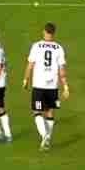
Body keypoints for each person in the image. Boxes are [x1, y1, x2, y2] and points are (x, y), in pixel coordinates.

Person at [24, 22, 69, 151]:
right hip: (53, 86)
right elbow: (62, 71)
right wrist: (65, 87)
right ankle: (48, 137)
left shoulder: (36, 46)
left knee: (36, 111)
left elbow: (30, 65)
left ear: (44, 32)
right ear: (54, 33)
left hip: (38, 85)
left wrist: (26, 79)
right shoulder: (59, 48)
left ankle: (45, 136)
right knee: (49, 111)